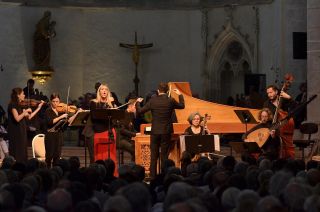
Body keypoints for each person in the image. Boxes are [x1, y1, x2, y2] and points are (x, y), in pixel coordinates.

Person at [136, 82, 185, 178]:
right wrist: (180, 95)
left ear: (158, 91)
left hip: (155, 132)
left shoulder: (152, 100)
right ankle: (163, 177)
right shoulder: (170, 100)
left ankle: (153, 177)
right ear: (167, 91)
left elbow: (140, 111)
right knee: (164, 157)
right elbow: (182, 106)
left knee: (153, 157)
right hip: (166, 132)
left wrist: (138, 102)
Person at [7, 87, 44, 162]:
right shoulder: (13, 105)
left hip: (22, 131)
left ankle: (23, 166)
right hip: (16, 132)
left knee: (23, 150)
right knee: (17, 151)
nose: (24, 95)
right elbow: (17, 118)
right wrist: (25, 111)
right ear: (18, 95)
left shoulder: (20, 105)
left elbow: (29, 117)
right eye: (23, 94)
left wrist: (38, 108)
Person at [44, 93, 80, 168]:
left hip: (59, 135)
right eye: (53, 101)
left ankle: (56, 172)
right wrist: (61, 117)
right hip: (50, 136)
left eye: (57, 101)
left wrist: (77, 113)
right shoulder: (48, 110)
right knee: (49, 156)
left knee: (57, 156)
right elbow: (50, 122)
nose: (55, 103)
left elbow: (69, 121)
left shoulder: (62, 111)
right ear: (51, 101)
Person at [263, 85, 295, 159]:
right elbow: (265, 117)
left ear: (276, 92)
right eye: (268, 93)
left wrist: (289, 98)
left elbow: (296, 106)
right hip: (272, 128)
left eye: (271, 92)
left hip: (283, 128)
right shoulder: (266, 104)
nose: (269, 95)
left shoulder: (283, 100)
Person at [90, 83, 118, 166]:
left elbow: (114, 118)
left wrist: (113, 108)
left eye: (106, 89)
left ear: (108, 92)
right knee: (99, 156)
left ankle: (112, 174)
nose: (104, 91)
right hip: (99, 132)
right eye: (102, 89)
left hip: (110, 132)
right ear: (99, 92)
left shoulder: (111, 104)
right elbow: (94, 117)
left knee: (111, 155)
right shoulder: (94, 103)